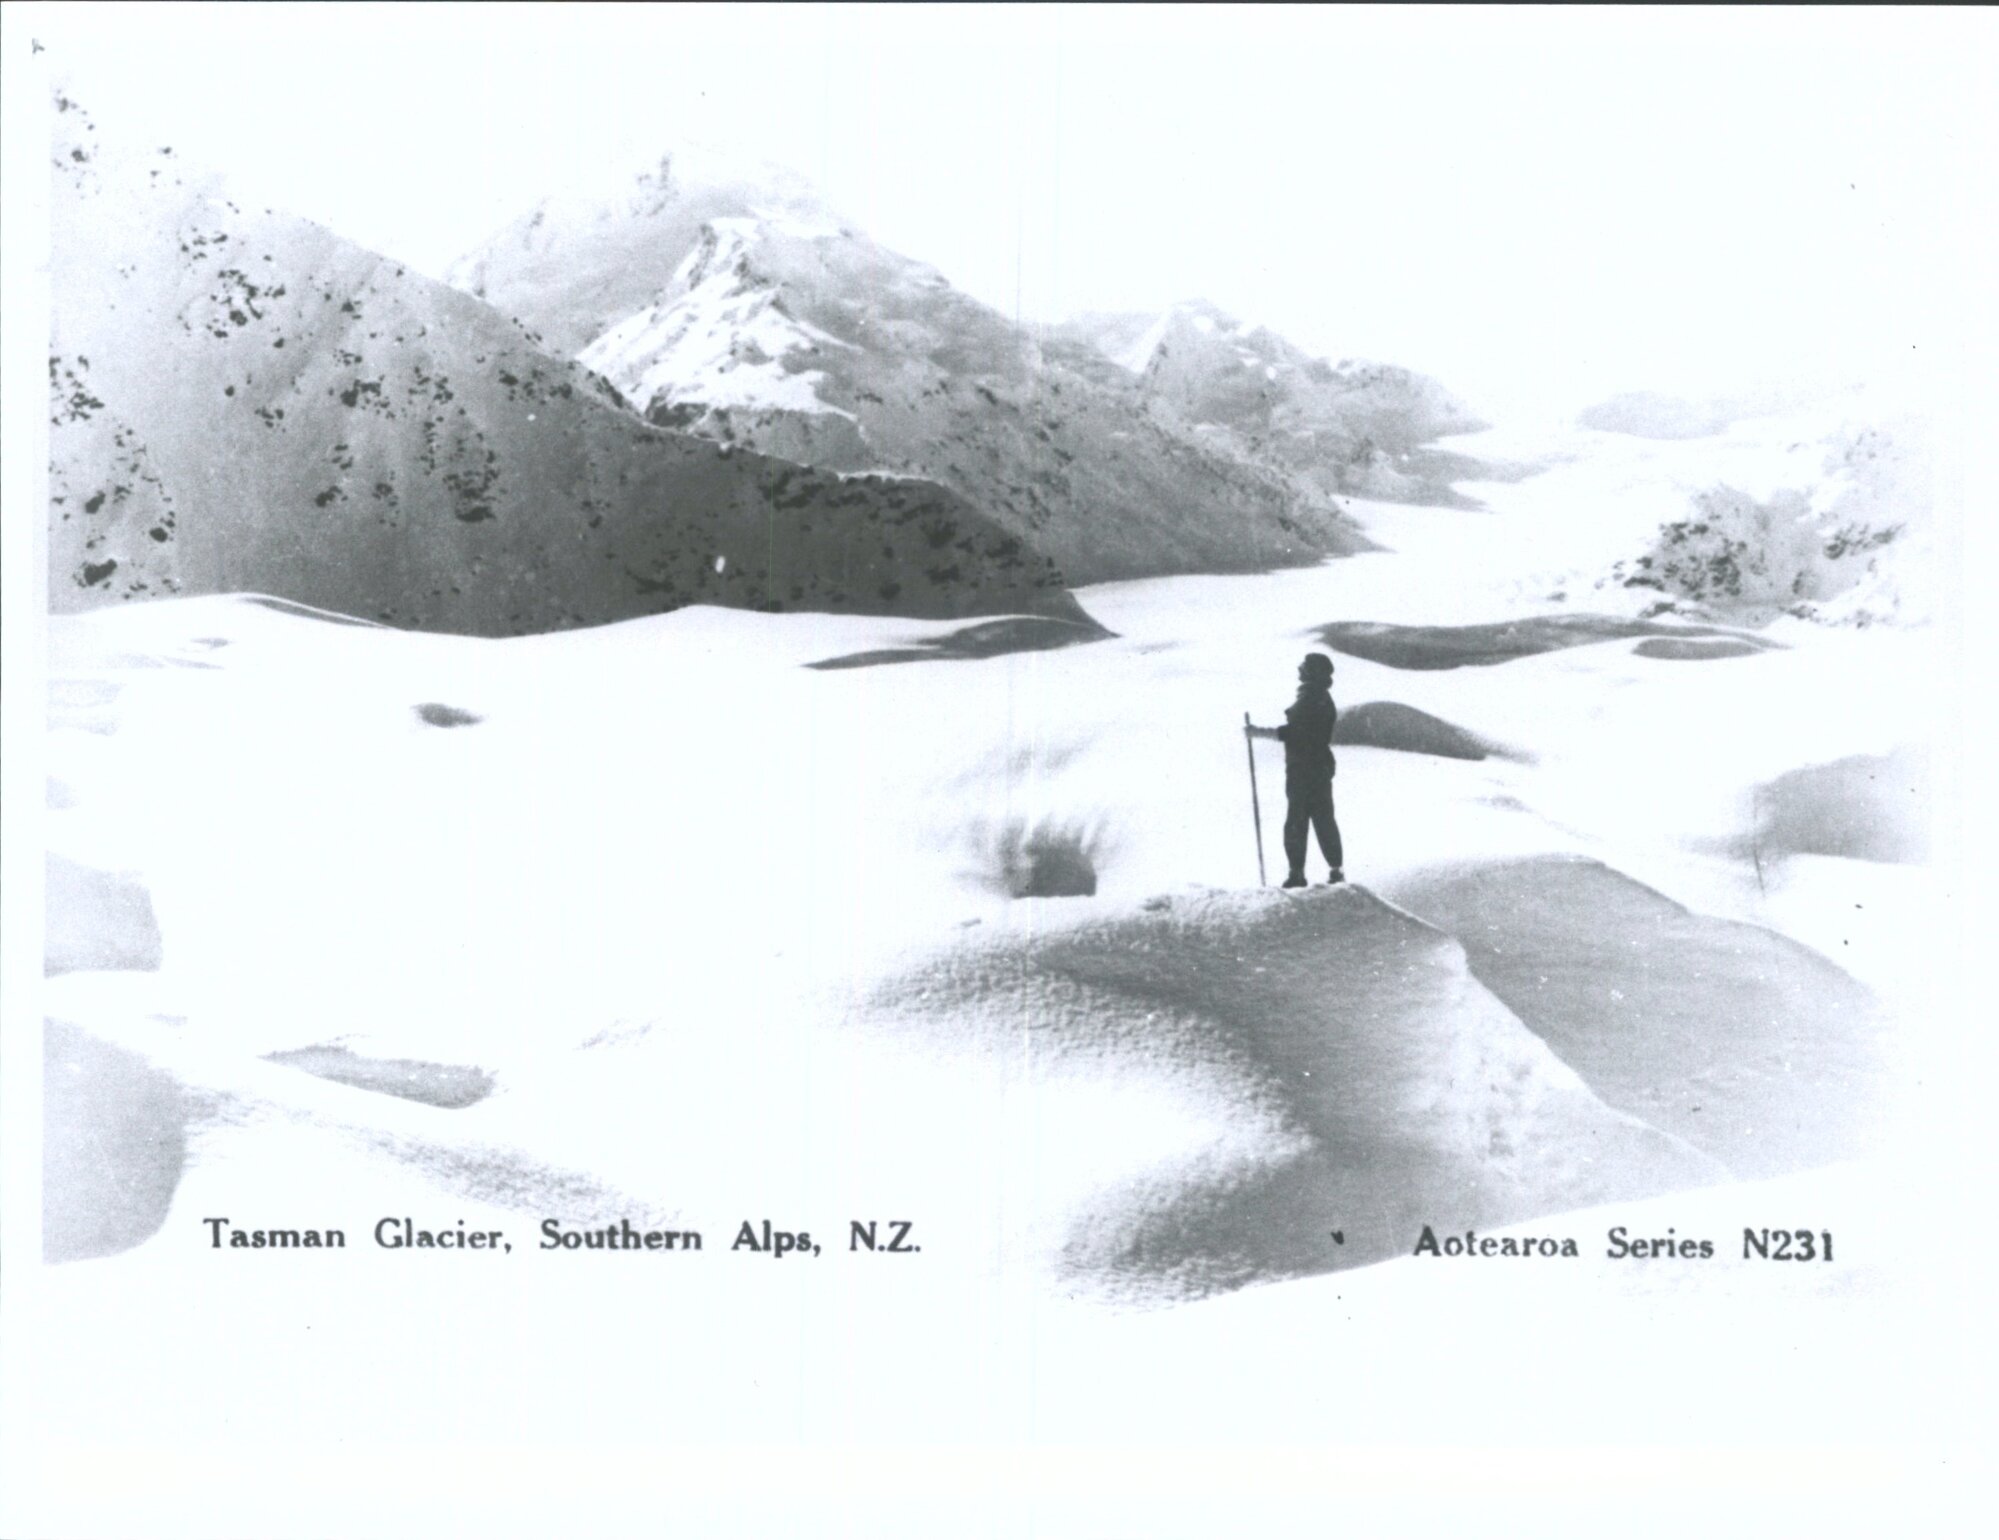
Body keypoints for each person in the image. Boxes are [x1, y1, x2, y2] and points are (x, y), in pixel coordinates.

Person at [1247, 652, 1344, 887]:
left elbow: (1296, 733)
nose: (1300, 668)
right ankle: (1334, 870)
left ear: (1312, 672)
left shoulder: (1312, 697)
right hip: (1316, 766)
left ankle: (1297, 874)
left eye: (1305, 666)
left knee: (1297, 821)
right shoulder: (1319, 696)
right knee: (1322, 819)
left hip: (1304, 768)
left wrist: (1259, 732)